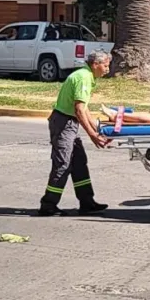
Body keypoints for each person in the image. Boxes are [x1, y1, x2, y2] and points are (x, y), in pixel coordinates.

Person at [38, 51, 112, 217]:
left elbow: (84, 109)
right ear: (95, 64)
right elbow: (79, 110)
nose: (108, 69)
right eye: (105, 65)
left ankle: (87, 202)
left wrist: (98, 129)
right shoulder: (83, 78)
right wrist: (92, 135)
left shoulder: (86, 76)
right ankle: (48, 204)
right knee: (62, 164)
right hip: (64, 123)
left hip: (69, 122)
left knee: (79, 162)